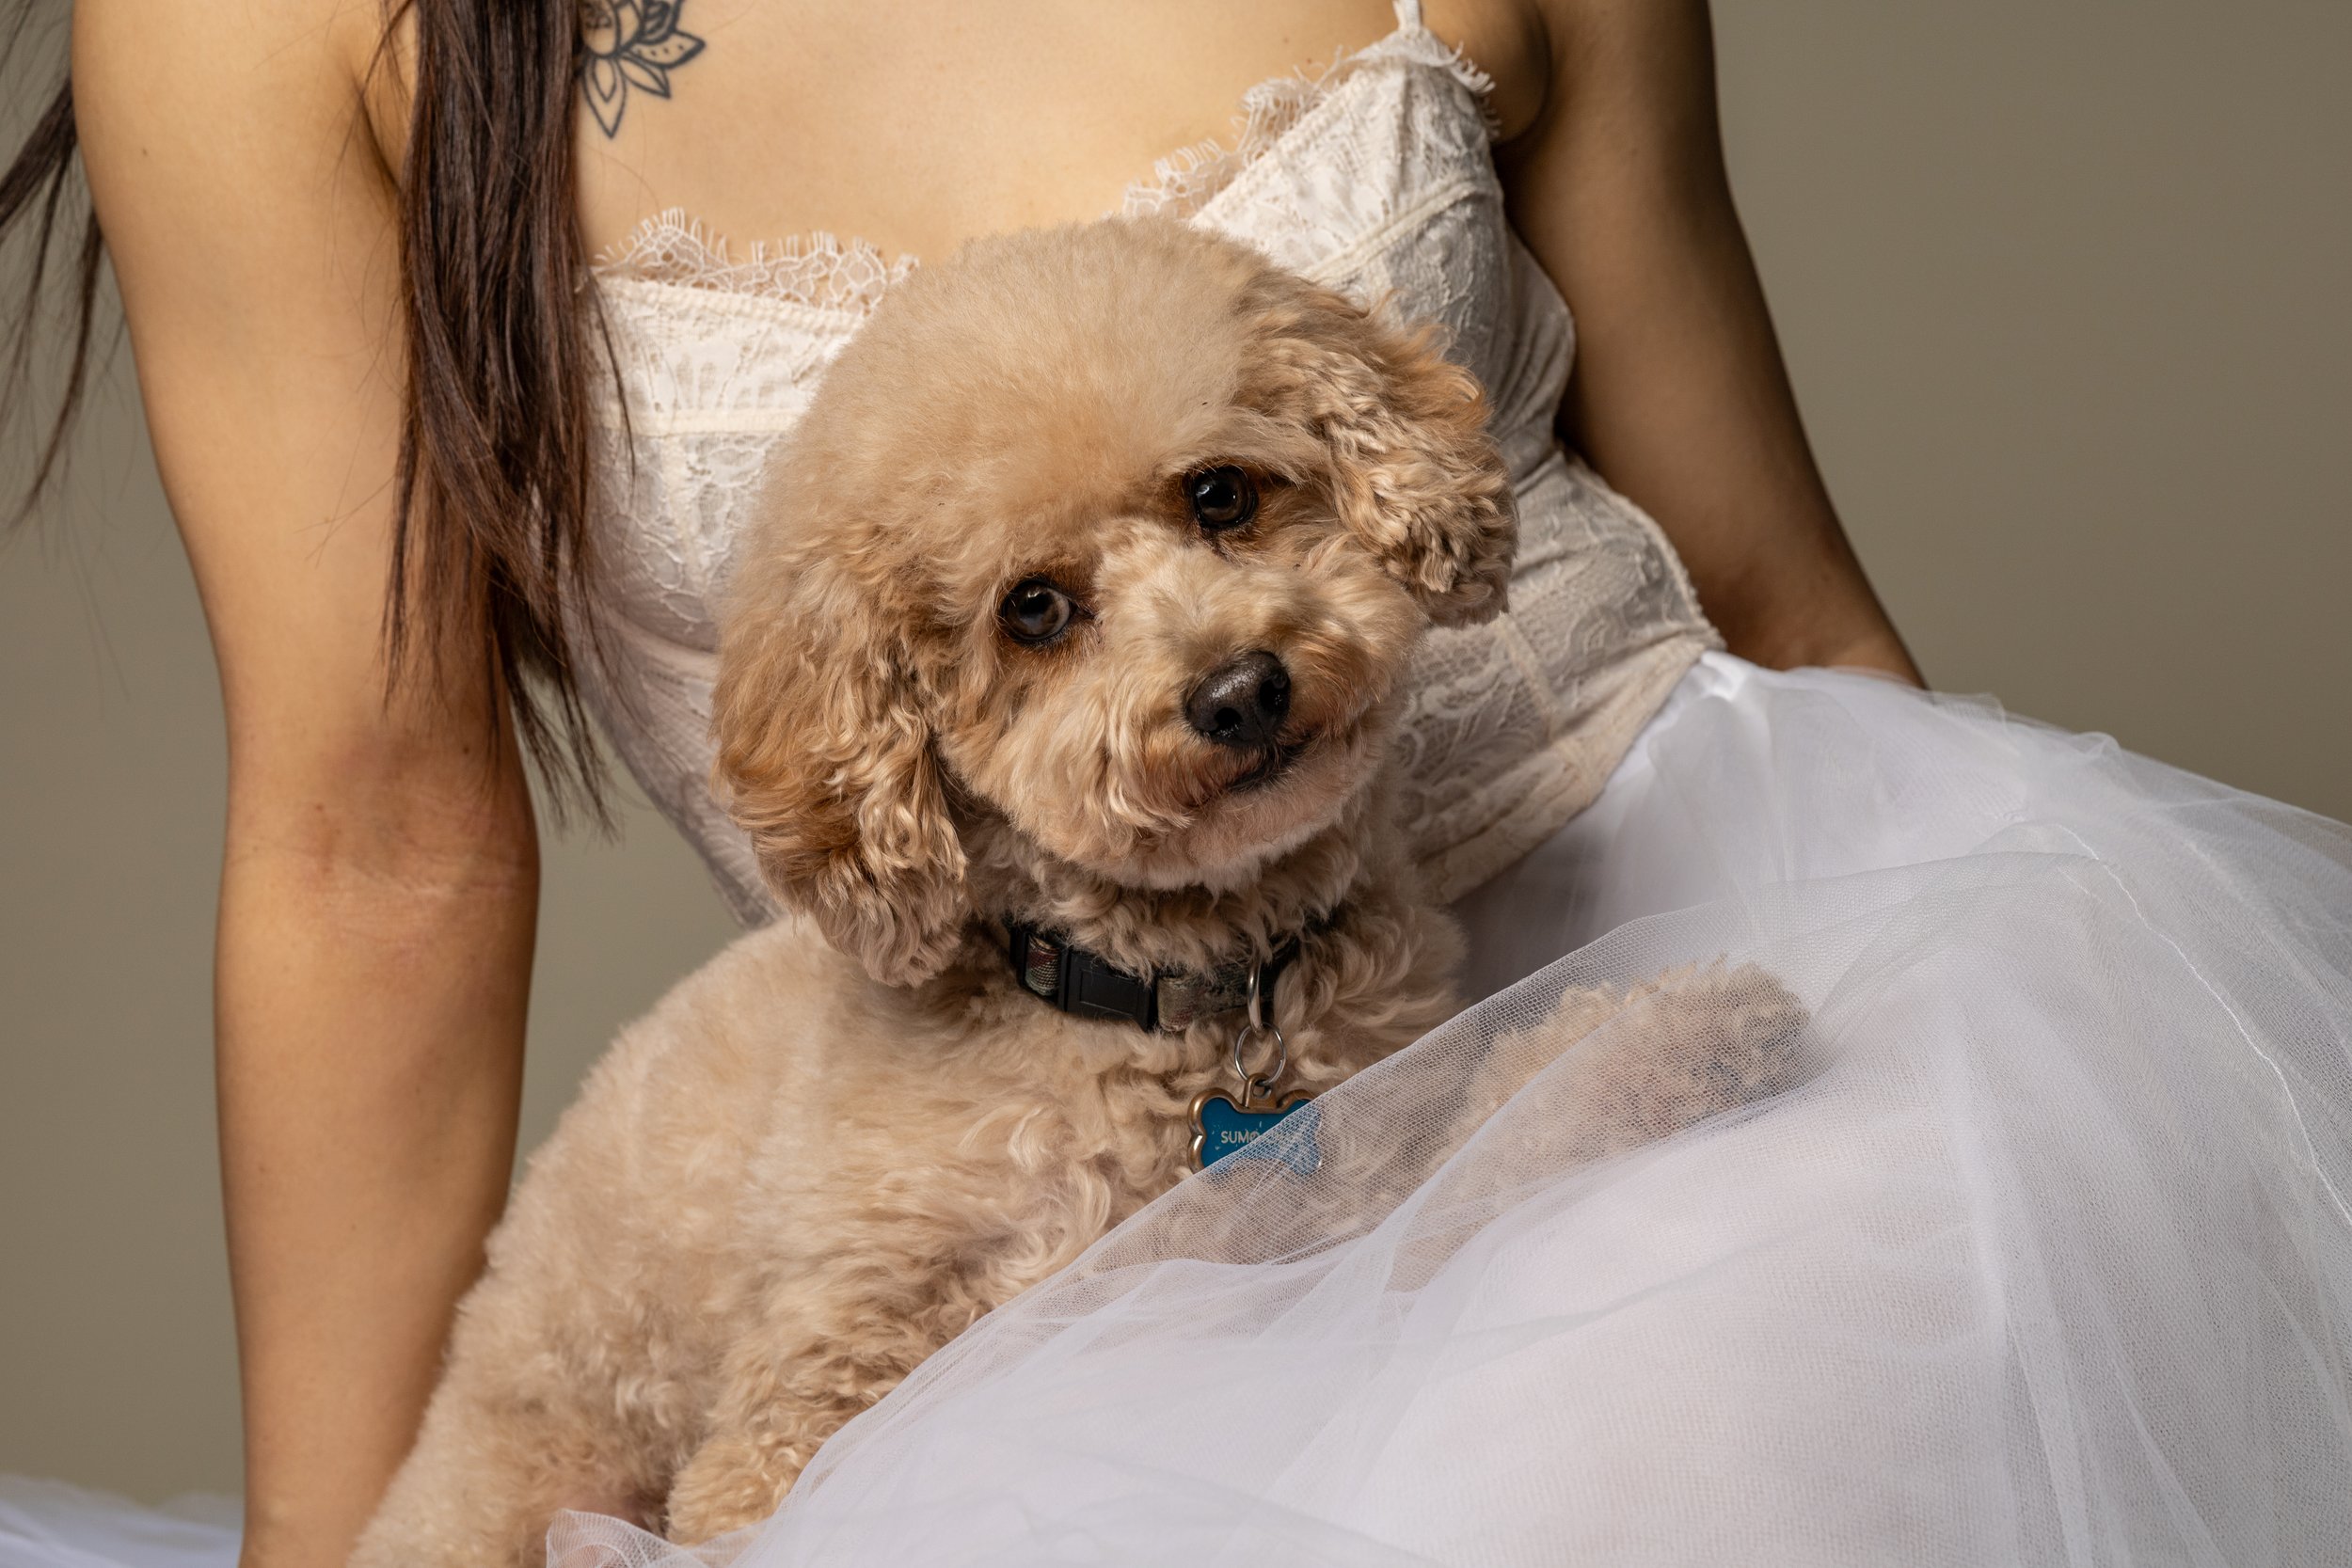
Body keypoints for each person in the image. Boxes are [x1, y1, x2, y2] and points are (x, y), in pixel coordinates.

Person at [4, 0, 2345, 1564]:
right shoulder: (267, 28)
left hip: (1710, 951)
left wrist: (2018, 1011)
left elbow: (1772, 587)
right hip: (1047, 1186)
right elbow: (376, 847)